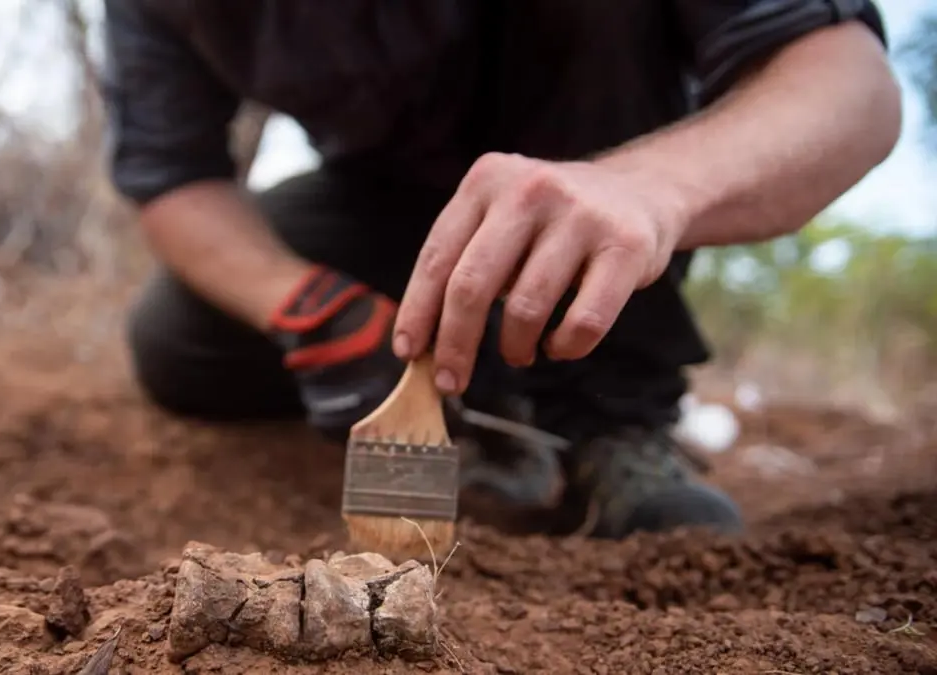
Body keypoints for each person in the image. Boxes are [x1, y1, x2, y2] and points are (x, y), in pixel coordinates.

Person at [101, 0, 901, 539]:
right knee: (181, 339)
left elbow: (852, 86)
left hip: (614, 161)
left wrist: (651, 189)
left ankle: (610, 419)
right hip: (384, 197)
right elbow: (172, 176)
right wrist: (308, 306)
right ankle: (476, 414)